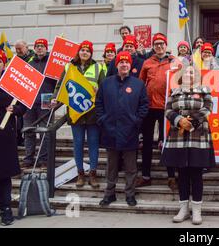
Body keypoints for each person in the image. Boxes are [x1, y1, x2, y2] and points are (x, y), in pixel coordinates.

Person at [161, 65, 215, 225]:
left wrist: (192, 122)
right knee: (182, 174)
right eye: (185, 72)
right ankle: (183, 209)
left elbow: (208, 108)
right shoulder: (174, 92)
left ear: (196, 76)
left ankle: (197, 211)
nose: (188, 74)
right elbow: (168, 110)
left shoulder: (205, 91)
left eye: (191, 72)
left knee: (196, 174)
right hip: (178, 137)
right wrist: (179, 120)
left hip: (198, 135)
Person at [96, 51, 149, 207]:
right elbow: (98, 103)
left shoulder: (138, 84)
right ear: (117, 65)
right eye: (121, 62)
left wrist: (136, 121)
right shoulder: (106, 83)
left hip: (130, 132)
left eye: (127, 62)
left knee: (131, 167)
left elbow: (144, 105)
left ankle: (130, 195)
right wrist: (102, 119)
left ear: (130, 65)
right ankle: (109, 194)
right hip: (110, 130)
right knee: (111, 166)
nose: (124, 65)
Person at [52, 41, 105, 188]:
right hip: (75, 112)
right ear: (78, 51)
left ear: (91, 53)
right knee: (78, 144)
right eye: (83, 50)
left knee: (93, 144)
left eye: (88, 50)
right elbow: (60, 85)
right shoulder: (69, 66)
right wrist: (54, 98)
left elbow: (104, 86)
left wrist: (98, 91)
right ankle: (80, 174)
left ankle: (92, 174)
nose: (85, 52)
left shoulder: (98, 67)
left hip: (93, 113)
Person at [138, 33, 181, 189]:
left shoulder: (174, 62)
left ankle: (171, 176)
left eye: (161, 44)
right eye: (156, 44)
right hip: (149, 108)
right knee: (147, 143)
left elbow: (182, 80)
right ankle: (145, 175)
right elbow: (140, 83)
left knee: (167, 143)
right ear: (153, 46)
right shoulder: (147, 62)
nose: (159, 46)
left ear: (165, 45)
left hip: (166, 108)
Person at [0, 50, 26, 226]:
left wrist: (14, 110)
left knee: (3, 175)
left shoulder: (11, 83)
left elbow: (23, 106)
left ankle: (6, 209)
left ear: (4, 64)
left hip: (4, 136)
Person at [22, 39, 57, 169]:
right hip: (30, 100)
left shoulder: (52, 63)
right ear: (34, 48)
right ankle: (28, 159)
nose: (40, 48)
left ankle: (43, 160)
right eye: (37, 46)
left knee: (45, 132)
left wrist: (56, 97)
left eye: (42, 46)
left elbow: (59, 81)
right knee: (28, 131)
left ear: (46, 48)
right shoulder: (29, 63)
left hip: (46, 99)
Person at [14, 39, 34, 146]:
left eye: (20, 48)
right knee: (19, 116)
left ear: (26, 47)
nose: (18, 51)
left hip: (30, 92)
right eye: (16, 49)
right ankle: (19, 137)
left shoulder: (33, 58)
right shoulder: (15, 59)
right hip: (18, 92)